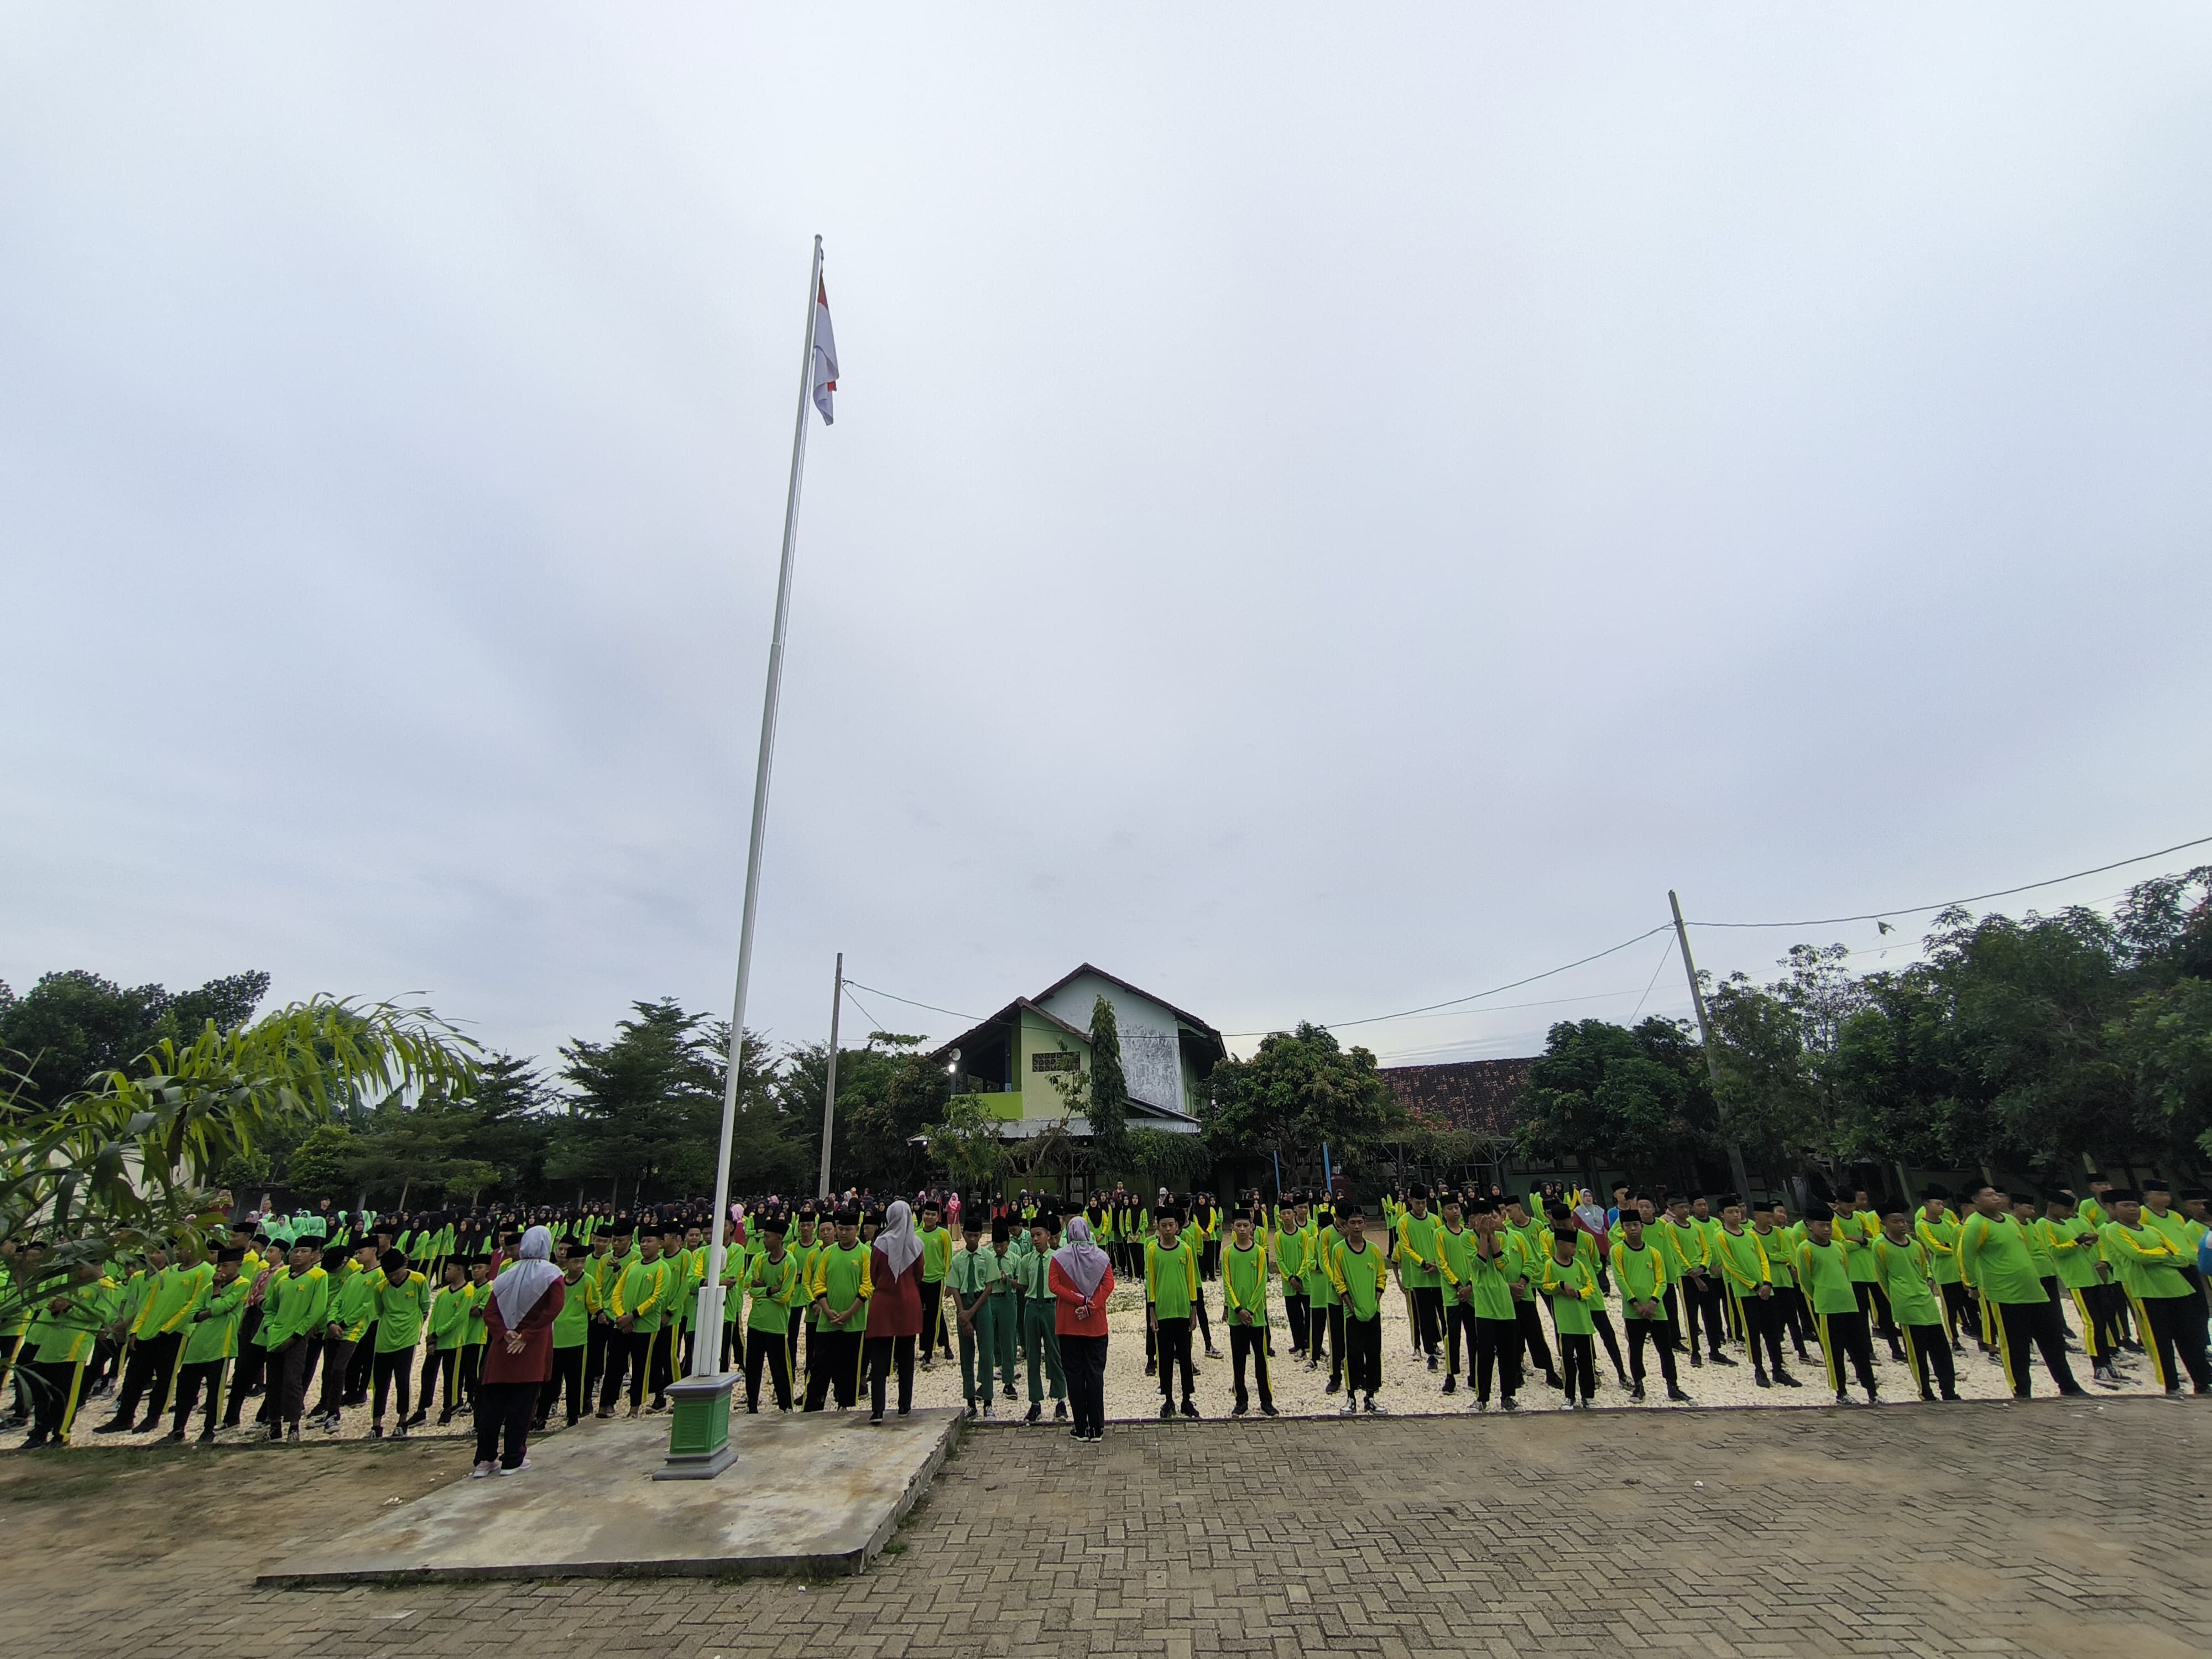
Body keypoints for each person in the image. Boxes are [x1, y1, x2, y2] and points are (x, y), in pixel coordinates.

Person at [1957, 1183, 2086, 1400]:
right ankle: (2022, 1390)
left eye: (1997, 1194)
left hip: (2033, 1289)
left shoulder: (2010, 1221)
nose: (1996, 1198)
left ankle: (2068, 1385)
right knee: (2016, 1346)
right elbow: (1966, 1256)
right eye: (1989, 1195)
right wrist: (1971, 1285)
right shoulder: (1975, 1225)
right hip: (2005, 1294)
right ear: (1976, 1200)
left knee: (2052, 1340)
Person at [2099, 1188, 2212, 1395]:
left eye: (2134, 1206)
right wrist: (2163, 1254)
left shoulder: (2152, 1230)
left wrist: (2159, 1256)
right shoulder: (2114, 1230)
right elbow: (2138, 1256)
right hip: (2149, 1291)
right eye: (2126, 1206)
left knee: (2191, 1339)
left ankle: (2203, 1382)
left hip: (2178, 1289)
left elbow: (2181, 1258)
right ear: (2113, 1209)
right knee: (2161, 1341)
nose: (2132, 1209)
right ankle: (2172, 1385)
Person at [472, 1224, 562, 1478]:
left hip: (503, 1346)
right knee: (522, 1406)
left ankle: (484, 1460)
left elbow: (490, 1312)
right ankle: (513, 1457)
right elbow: (554, 1307)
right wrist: (529, 1335)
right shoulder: (551, 1273)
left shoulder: (505, 1275)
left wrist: (504, 1333)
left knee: (493, 1405)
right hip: (530, 1347)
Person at [167, 1245, 249, 1443]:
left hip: (221, 1344)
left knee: (214, 1391)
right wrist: (209, 1310)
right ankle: (177, 1429)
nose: (220, 1270)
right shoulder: (207, 1288)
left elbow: (222, 1306)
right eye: (219, 1265)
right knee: (186, 1388)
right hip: (198, 1343)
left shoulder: (242, 1284)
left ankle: (209, 1430)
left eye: (226, 1266)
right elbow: (192, 1314)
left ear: (238, 1265)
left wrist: (216, 1292)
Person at [1798, 1204, 1878, 1406]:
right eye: (1821, 1225)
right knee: (1835, 1352)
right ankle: (1841, 1392)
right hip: (1826, 1307)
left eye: (1829, 1226)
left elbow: (1845, 1270)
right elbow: (1805, 1279)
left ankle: (1872, 1392)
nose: (1826, 1230)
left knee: (1860, 1350)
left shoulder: (1839, 1247)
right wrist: (1819, 1297)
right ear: (1810, 1226)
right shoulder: (1805, 1249)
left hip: (1849, 1304)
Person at [1610, 1208, 1690, 1404]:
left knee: (1665, 1349)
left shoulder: (1653, 1253)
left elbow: (1661, 1281)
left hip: (1656, 1310)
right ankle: (1639, 1386)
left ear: (1642, 1227)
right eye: (1628, 1226)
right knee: (1636, 1348)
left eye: (1636, 1225)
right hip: (1633, 1310)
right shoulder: (1618, 1250)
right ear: (1623, 1228)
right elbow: (1620, 1279)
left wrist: (1653, 1302)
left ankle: (1673, 1386)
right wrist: (1636, 1304)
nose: (1633, 1229)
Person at [1048, 1215, 1113, 1442]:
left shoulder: (1059, 1258)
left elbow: (1054, 1285)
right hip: (1095, 1325)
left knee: (1074, 1376)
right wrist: (1091, 1306)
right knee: (1095, 1375)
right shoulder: (1102, 1258)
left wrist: (1077, 1300)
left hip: (1069, 1325)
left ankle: (1081, 1427)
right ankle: (1097, 1427)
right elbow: (1108, 1286)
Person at [863, 1199, 924, 1424]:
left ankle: (878, 1410)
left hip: (883, 1303)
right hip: (908, 1302)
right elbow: (919, 1275)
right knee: (906, 1357)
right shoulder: (916, 1244)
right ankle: (904, 1405)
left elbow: (874, 1274)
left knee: (879, 1358)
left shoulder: (880, 1243)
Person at [804, 1210, 870, 1412]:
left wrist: (849, 1313)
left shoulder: (865, 1253)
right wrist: (826, 1310)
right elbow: (818, 1283)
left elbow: (867, 1287)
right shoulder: (828, 1253)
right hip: (827, 1322)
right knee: (820, 1366)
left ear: (857, 1230)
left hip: (854, 1322)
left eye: (848, 1229)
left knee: (849, 1366)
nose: (843, 1233)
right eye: (840, 1229)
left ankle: (845, 1405)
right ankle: (813, 1407)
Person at [1329, 1205, 1389, 1415]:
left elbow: (1382, 1277)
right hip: (1351, 1314)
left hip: (1373, 1311)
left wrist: (1376, 1300)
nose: (1356, 1226)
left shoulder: (1373, 1249)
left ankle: (1371, 1396)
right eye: (1352, 1222)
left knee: (1373, 1354)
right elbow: (1338, 1279)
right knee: (1353, 1354)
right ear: (1346, 1225)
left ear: (1365, 1224)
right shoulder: (1339, 1251)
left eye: (1360, 1222)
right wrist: (1349, 1305)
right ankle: (1351, 1396)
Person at [368, 1249, 431, 1439]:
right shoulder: (380, 1287)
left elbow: (425, 1306)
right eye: (389, 1275)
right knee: (381, 1382)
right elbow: (380, 1311)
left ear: (404, 1267)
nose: (393, 1278)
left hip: (407, 1336)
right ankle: (376, 1425)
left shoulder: (419, 1280)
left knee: (403, 1380)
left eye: (396, 1274)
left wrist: (416, 1328)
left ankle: (402, 1421)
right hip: (385, 1338)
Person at [742, 1214, 801, 1413]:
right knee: (753, 1368)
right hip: (756, 1322)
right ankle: (752, 1405)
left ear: (779, 1238)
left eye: (768, 1237)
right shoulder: (759, 1259)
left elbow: (785, 1295)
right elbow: (750, 1287)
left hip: (776, 1324)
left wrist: (765, 1290)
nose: (764, 1240)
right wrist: (769, 1290)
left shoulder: (789, 1263)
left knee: (779, 1368)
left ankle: (786, 1406)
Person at [1539, 1220, 1601, 1408]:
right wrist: (1560, 1286)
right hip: (1565, 1323)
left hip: (1583, 1322)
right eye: (1572, 1246)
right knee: (1567, 1359)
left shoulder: (1580, 1266)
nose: (1575, 1249)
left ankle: (1588, 1396)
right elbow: (1546, 1286)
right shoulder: (1551, 1265)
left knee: (1586, 1360)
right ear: (1560, 1244)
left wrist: (1580, 1293)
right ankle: (1569, 1396)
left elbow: (1591, 1286)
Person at [1146, 1208, 1202, 1419]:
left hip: (1183, 1311)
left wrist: (1194, 1308)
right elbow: (1151, 1281)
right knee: (1166, 1358)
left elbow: (1191, 1280)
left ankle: (1187, 1399)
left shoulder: (1185, 1250)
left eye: (1172, 1225)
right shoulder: (1153, 1251)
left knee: (1186, 1357)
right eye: (1164, 1225)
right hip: (1162, 1312)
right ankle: (1168, 1399)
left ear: (1177, 1227)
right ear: (1157, 1228)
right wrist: (1152, 1311)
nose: (1168, 1229)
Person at [1220, 1211, 1276, 1417]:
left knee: (1261, 1360)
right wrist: (1237, 1309)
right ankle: (1241, 1400)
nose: (1242, 1229)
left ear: (1252, 1227)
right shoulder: (1227, 1253)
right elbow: (1227, 1284)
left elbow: (1262, 1283)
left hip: (1257, 1317)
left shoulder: (1260, 1252)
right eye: (1238, 1226)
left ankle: (1266, 1400)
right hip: (1237, 1318)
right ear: (1233, 1228)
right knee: (1239, 1360)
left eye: (1246, 1225)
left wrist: (1250, 1310)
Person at [945, 1213, 1000, 1418]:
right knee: (966, 1355)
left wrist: (972, 1312)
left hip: (981, 1305)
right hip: (964, 1305)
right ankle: (970, 1401)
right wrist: (963, 1314)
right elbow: (954, 1287)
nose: (972, 1240)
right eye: (969, 1235)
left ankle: (988, 1402)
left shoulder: (988, 1257)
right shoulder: (958, 1259)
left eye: (976, 1236)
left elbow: (988, 1287)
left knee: (986, 1354)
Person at [1017, 1213, 1069, 1423]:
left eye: (1039, 1235)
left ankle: (1060, 1400)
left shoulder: (1057, 1259)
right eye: (1032, 1236)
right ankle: (1035, 1403)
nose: (1036, 1239)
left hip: (1051, 1307)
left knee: (1054, 1353)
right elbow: (1023, 1285)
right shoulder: (1026, 1260)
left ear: (1049, 1236)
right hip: (1032, 1308)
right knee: (1033, 1356)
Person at [536, 1244, 592, 1430]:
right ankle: (541, 1416)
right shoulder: (557, 1280)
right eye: (575, 1261)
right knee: (550, 1380)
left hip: (576, 1337)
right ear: (567, 1263)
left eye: (582, 1261)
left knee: (575, 1379)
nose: (579, 1265)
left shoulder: (588, 1281)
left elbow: (593, 1305)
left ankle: (573, 1415)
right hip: (555, 1337)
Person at [1394, 1186, 1443, 1369]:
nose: (1421, 1206)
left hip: (1438, 1275)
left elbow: (1441, 1242)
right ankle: (1430, 1352)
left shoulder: (1435, 1220)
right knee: (1425, 1316)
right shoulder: (1404, 1222)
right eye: (1418, 1203)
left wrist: (1437, 1263)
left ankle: (1444, 1346)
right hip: (1419, 1277)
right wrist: (1423, 1263)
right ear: (1410, 1202)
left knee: (1443, 1315)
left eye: (1423, 1203)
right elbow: (1405, 1249)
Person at [916, 1202, 953, 1370]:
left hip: (937, 1280)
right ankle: (945, 1345)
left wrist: (949, 1283)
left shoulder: (944, 1234)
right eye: (927, 1214)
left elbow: (949, 1259)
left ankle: (928, 1353)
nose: (929, 1217)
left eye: (933, 1215)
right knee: (928, 1315)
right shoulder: (916, 1236)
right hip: (920, 1281)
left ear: (938, 1217)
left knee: (933, 1316)